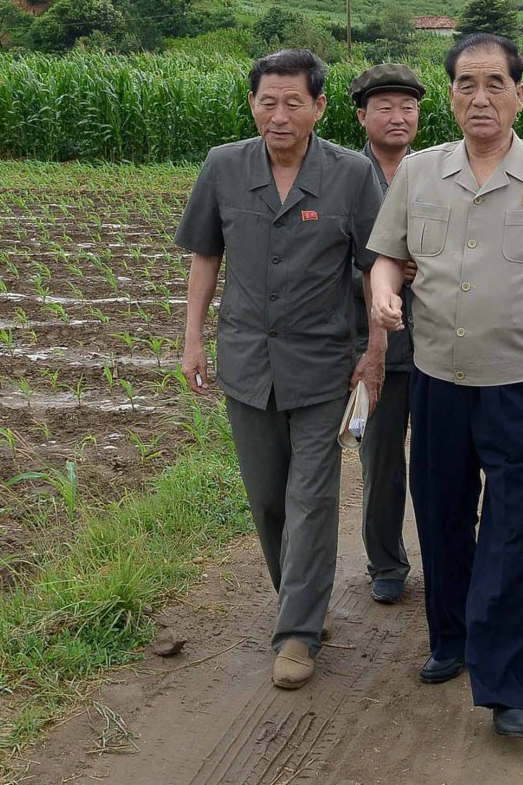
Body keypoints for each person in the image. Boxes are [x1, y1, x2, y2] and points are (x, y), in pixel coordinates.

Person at [368, 33, 523, 739]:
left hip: (520, 385)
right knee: (443, 514)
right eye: (465, 84)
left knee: (513, 527)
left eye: (493, 84)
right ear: (450, 95)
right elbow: (386, 259)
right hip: (438, 381)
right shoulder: (417, 174)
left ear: (518, 93)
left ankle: (507, 680)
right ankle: (450, 638)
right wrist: (383, 297)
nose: (479, 97)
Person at [175, 49, 387, 691]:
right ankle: (302, 600)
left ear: (320, 108)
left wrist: (374, 352)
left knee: (311, 496)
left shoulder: (351, 175)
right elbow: (206, 256)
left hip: (324, 364)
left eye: (294, 101)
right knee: (267, 499)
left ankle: (296, 630)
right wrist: (192, 340)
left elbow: (381, 264)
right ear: (252, 104)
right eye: (268, 100)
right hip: (246, 361)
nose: (279, 113)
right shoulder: (224, 166)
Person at [348, 63, 425, 605]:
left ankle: (449, 553)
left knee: (443, 459)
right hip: (371, 345)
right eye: (385, 108)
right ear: (362, 116)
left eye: (408, 108)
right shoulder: (342, 177)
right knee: (379, 460)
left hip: (441, 343)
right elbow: (326, 259)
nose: (398, 118)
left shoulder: (437, 172)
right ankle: (386, 562)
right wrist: (383, 272)